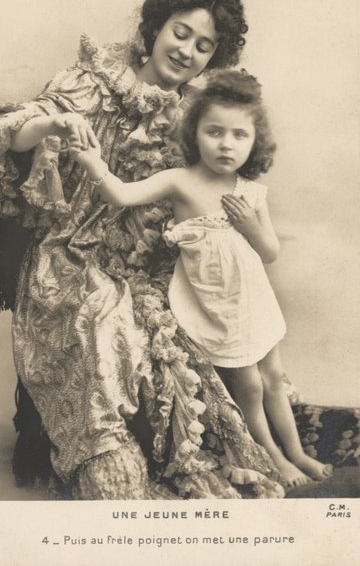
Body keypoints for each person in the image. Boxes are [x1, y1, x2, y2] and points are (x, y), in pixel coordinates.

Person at [0, 0, 352, 500]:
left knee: (193, 362)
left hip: (153, 268)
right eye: (180, 32)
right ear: (155, 28)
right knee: (107, 327)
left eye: (204, 46)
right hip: (71, 261)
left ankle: (267, 443)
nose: (187, 51)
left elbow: (219, 187)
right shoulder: (91, 82)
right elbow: (17, 130)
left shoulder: (196, 116)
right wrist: (54, 126)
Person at [69, 70, 333, 488]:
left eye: (239, 135)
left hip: (253, 301)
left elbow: (269, 252)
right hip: (213, 305)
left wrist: (249, 224)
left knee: (273, 379)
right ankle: (272, 458)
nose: (226, 144)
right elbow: (121, 194)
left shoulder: (250, 191)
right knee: (247, 386)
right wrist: (92, 163)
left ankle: (296, 451)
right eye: (214, 132)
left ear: (254, 142)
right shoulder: (181, 181)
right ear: (195, 134)